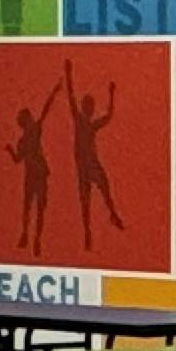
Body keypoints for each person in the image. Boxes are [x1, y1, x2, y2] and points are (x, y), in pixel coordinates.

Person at [66, 67, 128, 242]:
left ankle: (112, 215)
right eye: (88, 106)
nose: (90, 109)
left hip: (92, 163)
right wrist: (68, 73)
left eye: (91, 107)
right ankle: (87, 232)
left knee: (105, 189)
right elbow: (70, 97)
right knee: (85, 200)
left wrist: (111, 94)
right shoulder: (79, 120)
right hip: (83, 166)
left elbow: (108, 116)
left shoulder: (92, 125)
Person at [2, 86, 56, 254]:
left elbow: (18, 159)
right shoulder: (29, 135)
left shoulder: (26, 137)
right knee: (34, 208)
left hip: (36, 174)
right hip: (35, 174)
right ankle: (30, 236)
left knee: (34, 208)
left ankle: (33, 238)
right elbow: (45, 112)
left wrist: (54, 92)